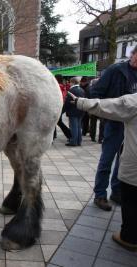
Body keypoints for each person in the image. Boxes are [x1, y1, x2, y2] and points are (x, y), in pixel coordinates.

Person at [68, 91, 137, 251]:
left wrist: (79, 102)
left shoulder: (133, 102)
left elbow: (108, 106)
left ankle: (129, 238)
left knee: (132, 201)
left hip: (134, 169)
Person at [89, 45, 137, 211]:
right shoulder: (115, 70)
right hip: (115, 124)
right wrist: (107, 114)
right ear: (133, 54)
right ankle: (100, 195)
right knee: (107, 159)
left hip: (132, 126)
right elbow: (95, 93)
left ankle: (117, 192)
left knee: (124, 160)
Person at [64, 77, 85, 146]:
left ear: (72, 82)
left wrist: (64, 109)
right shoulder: (82, 90)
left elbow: (67, 102)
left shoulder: (71, 91)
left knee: (73, 127)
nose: (69, 84)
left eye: (70, 82)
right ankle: (79, 141)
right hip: (80, 110)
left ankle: (73, 141)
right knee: (78, 126)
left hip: (72, 111)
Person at [54, 74, 72, 140]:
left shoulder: (58, 86)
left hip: (58, 105)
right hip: (61, 105)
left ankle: (69, 134)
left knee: (58, 121)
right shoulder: (63, 86)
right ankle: (54, 135)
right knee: (56, 121)